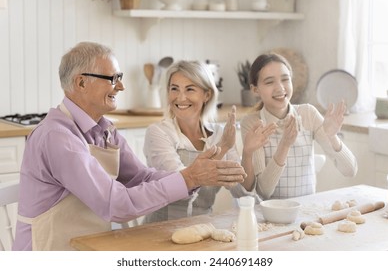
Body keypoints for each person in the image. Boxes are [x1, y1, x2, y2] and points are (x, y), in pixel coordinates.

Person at [12, 42, 246, 251]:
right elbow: (115, 204)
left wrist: (190, 177)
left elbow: (140, 178)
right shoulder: (58, 137)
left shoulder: (105, 130)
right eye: (113, 78)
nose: (121, 86)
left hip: (88, 248)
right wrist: (189, 179)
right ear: (81, 82)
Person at [143, 60, 252, 223]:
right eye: (174, 89)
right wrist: (223, 148)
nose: (180, 97)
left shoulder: (220, 134)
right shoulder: (158, 133)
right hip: (161, 228)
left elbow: (241, 191)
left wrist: (249, 151)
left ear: (207, 95)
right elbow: (181, 183)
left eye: (190, 89)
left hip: (205, 227)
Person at [238, 52, 358, 200]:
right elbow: (263, 192)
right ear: (255, 89)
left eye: (285, 79)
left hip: (307, 214)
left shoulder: (308, 113)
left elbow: (350, 170)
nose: (280, 88)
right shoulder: (252, 123)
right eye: (269, 82)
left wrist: (332, 137)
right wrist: (284, 145)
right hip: (270, 216)